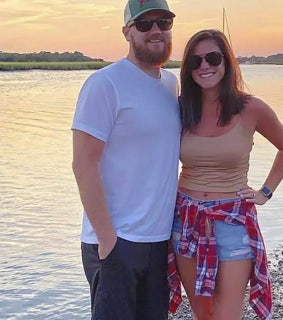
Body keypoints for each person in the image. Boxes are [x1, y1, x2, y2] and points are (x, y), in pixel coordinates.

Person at [167, 29, 283, 320]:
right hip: (186, 220)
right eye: (196, 61)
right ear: (188, 68)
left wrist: (265, 192)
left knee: (226, 315)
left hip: (232, 221)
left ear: (226, 62)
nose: (205, 66)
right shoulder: (179, 108)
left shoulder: (251, 108)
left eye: (213, 57)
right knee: (203, 314)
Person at [71, 0, 180, 319]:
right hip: (115, 241)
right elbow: (83, 164)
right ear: (127, 32)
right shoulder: (105, 84)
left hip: (158, 241)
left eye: (164, 21)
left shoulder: (170, 85)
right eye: (144, 24)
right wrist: (108, 239)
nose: (156, 30)